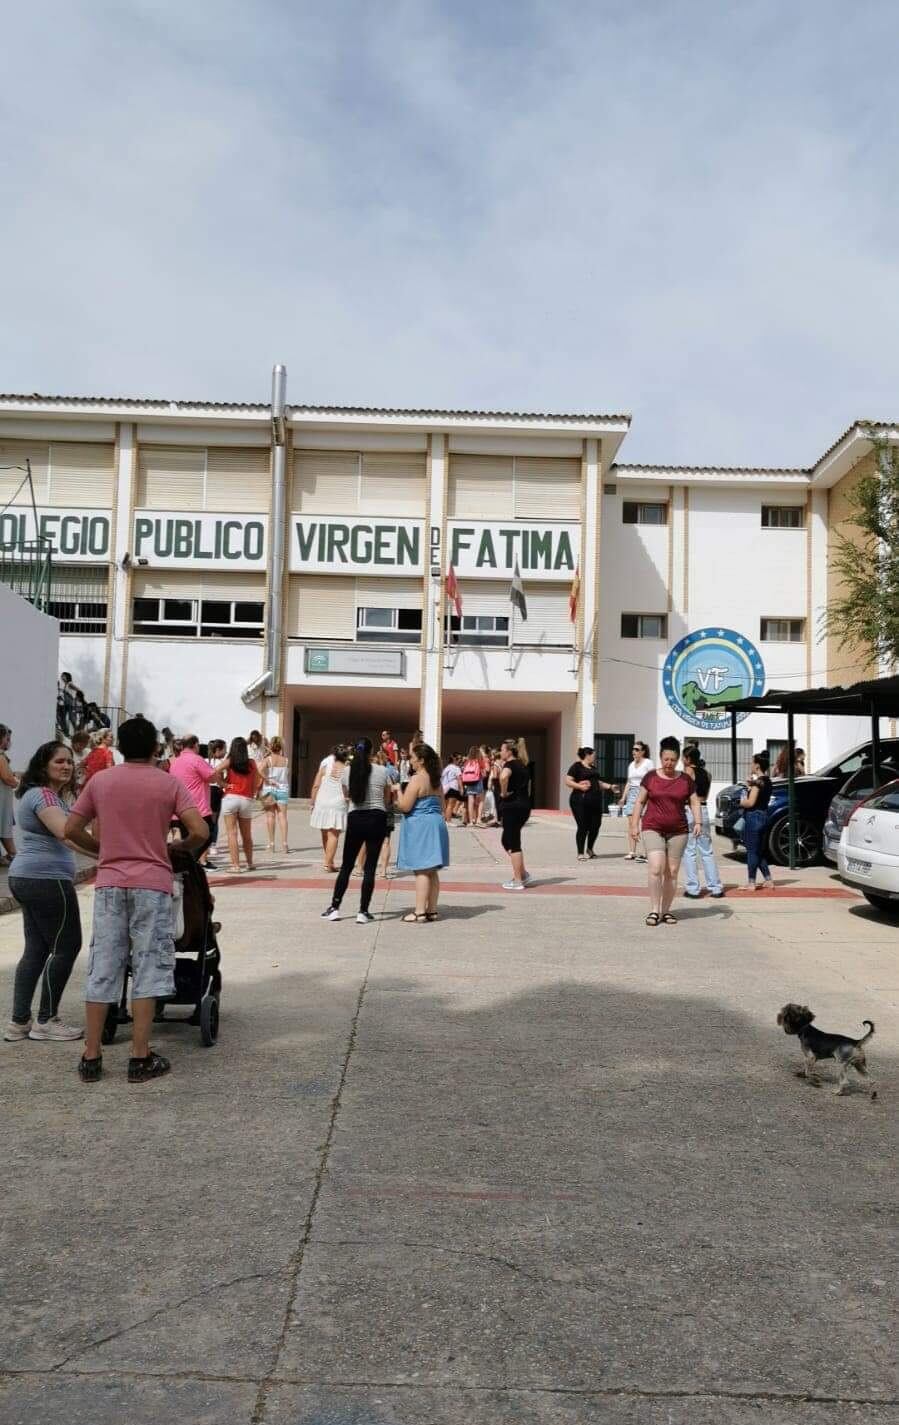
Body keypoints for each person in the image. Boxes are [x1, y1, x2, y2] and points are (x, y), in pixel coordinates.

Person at [65, 716, 208, 1082]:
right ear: (155, 749)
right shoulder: (168, 782)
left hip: (110, 883)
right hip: (152, 884)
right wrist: (176, 847)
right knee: (148, 965)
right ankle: (140, 1056)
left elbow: (70, 829)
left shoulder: (101, 780)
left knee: (104, 963)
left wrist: (103, 850)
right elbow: (200, 829)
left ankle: (91, 1056)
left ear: (120, 747)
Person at [4, 741, 84, 1042]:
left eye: (70, 762)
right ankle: (47, 1020)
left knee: (36, 951)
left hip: (27, 877)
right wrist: (107, 853)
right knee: (67, 946)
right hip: (46, 880)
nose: (66, 766)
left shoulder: (36, 794)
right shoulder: (44, 795)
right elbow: (67, 834)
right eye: (59, 762)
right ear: (43, 765)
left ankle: (19, 1022)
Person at [629, 736, 702, 927]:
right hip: (653, 827)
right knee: (656, 868)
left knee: (672, 871)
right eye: (665, 759)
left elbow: (694, 801)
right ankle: (654, 910)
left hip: (678, 830)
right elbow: (640, 801)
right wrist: (634, 825)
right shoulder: (651, 777)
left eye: (672, 760)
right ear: (661, 758)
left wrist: (698, 822)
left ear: (678, 759)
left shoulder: (685, 779)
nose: (669, 763)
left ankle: (666, 910)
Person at [321, 738, 390, 924]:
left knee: (347, 866)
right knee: (370, 868)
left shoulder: (347, 772)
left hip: (356, 817)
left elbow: (347, 796)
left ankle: (335, 907)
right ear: (371, 751)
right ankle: (363, 911)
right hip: (377, 817)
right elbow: (386, 798)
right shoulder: (383, 771)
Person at [396, 742, 450, 921]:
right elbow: (442, 805)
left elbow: (405, 806)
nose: (410, 761)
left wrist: (398, 792)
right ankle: (432, 910)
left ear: (421, 760)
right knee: (432, 870)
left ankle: (419, 912)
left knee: (421, 870)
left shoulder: (417, 779)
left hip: (422, 826)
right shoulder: (436, 780)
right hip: (436, 823)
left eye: (412, 758)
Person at [681, 746, 724, 899]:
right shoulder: (708, 774)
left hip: (691, 809)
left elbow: (684, 792)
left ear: (687, 758)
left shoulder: (688, 772)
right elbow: (705, 794)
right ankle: (716, 887)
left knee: (690, 850)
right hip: (704, 810)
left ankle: (693, 888)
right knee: (707, 851)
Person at [169, 735, 218, 860]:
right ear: (195, 745)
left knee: (188, 838)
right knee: (208, 834)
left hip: (181, 808)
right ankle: (188, 860)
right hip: (198, 807)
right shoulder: (196, 760)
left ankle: (187, 863)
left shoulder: (176, 761)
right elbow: (212, 776)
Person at [565, 747, 619, 860]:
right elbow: (568, 781)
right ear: (587, 755)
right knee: (583, 826)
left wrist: (610, 787)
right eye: (594, 755)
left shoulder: (593, 768)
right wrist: (580, 786)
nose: (595, 757)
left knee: (595, 826)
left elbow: (597, 782)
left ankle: (590, 849)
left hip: (595, 800)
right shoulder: (577, 766)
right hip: (579, 801)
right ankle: (580, 853)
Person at [219, 736, 261, 874]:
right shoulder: (252, 763)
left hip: (230, 797)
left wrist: (224, 784)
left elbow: (213, 772)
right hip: (246, 799)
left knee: (232, 833)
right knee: (247, 835)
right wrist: (253, 793)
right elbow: (256, 781)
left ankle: (235, 865)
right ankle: (249, 863)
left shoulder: (230, 761)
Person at [498, 737, 532, 890]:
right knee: (507, 840)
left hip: (513, 805)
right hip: (524, 805)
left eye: (502, 749)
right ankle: (523, 874)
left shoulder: (510, 764)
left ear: (509, 751)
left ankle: (518, 880)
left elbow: (503, 776)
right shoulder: (522, 765)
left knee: (513, 842)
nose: (500, 752)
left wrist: (504, 793)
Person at [740, 751, 775, 891]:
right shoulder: (768, 781)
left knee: (751, 852)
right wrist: (750, 785)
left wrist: (741, 802)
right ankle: (768, 880)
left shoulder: (757, 784)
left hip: (753, 817)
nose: (750, 764)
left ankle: (751, 882)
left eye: (752, 762)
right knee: (759, 851)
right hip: (764, 816)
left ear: (757, 766)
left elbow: (750, 803)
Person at [310, 750, 349, 871]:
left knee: (324, 832)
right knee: (334, 834)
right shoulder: (347, 769)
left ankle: (329, 861)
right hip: (338, 803)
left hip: (322, 801)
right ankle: (328, 863)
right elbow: (348, 787)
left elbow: (316, 785)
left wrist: (312, 802)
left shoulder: (325, 767)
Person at [619, 741, 654, 861]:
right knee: (631, 824)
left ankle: (647, 853)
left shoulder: (648, 763)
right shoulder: (631, 765)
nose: (634, 751)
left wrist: (650, 795)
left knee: (645, 824)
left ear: (643, 752)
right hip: (632, 793)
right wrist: (623, 797)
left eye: (637, 749)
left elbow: (652, 779)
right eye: (633, 749)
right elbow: (629, 782)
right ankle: (632, 851)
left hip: (644, 792)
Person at [260, 736, 291, 854]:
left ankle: (272, 843)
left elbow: (259, 769)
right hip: (283, 789)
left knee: (270, 816)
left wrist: (267, 779)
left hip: (269, 789)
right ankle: (285, 844)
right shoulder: (286, 760)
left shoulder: (268, 759)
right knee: (282, 816)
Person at [0, 724, 18, 865]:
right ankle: (14, 855)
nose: (9, 742)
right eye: (7, 738)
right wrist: (18, 782)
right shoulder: (0, 756)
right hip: (2, 799)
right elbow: (7, 778)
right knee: (4, 826)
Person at [461, 745, 483, 827]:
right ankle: (478, 819)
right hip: (478, 781)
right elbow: (484, 771)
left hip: (469, 782)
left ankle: (470, 821)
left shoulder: (467, 761)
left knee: (470, 801)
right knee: (480, 800)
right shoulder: (479, 761)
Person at [441, 755, 463, 823]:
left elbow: (442, 778)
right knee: (451, 805)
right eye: (459, 759)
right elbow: (459, 779)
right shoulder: (456, 768)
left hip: (445, 788)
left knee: (446, 805)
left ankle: (444, 819)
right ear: (455, 760)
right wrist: (461, 788)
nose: (461, 760)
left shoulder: (447, 768)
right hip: (453, 787)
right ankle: (449, 821)